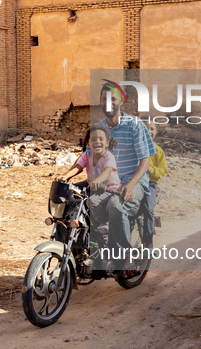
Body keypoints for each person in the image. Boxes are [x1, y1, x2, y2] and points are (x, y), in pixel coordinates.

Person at [97, 80, 156, 278]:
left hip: (134, 181)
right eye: (104, 99)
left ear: (120, 100)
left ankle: (126, 254)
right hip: (110, 183)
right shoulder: (98, 129)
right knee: (83, 205)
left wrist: (131, 185)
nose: (109, 102)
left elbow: (145, 161)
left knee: (116, 205)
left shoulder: (135, 125)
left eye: (112, 98)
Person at [55, 125, 121, 232]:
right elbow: (78, 167)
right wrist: (66, 176)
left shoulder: (108, 156)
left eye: (101, 139)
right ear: (88, 143)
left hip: (109, 189)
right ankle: (76, 219)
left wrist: (98, 180)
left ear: (107, 143)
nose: (97, 142)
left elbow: (107, 171)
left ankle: (104, 222)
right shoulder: (87, 155)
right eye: (93, 139)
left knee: (93, 201)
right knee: (70, 190)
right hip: (94, 185)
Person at [141, 121, 168, 249]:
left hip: (149, 184)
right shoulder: (133, 147)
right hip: (132, 181)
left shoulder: (158, 151)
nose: (149, 131)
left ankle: (148, 242)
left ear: (156, 132)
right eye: (145, 129)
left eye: (152, 129)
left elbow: (163, 171)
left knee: (148, 209)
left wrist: (151, 169)